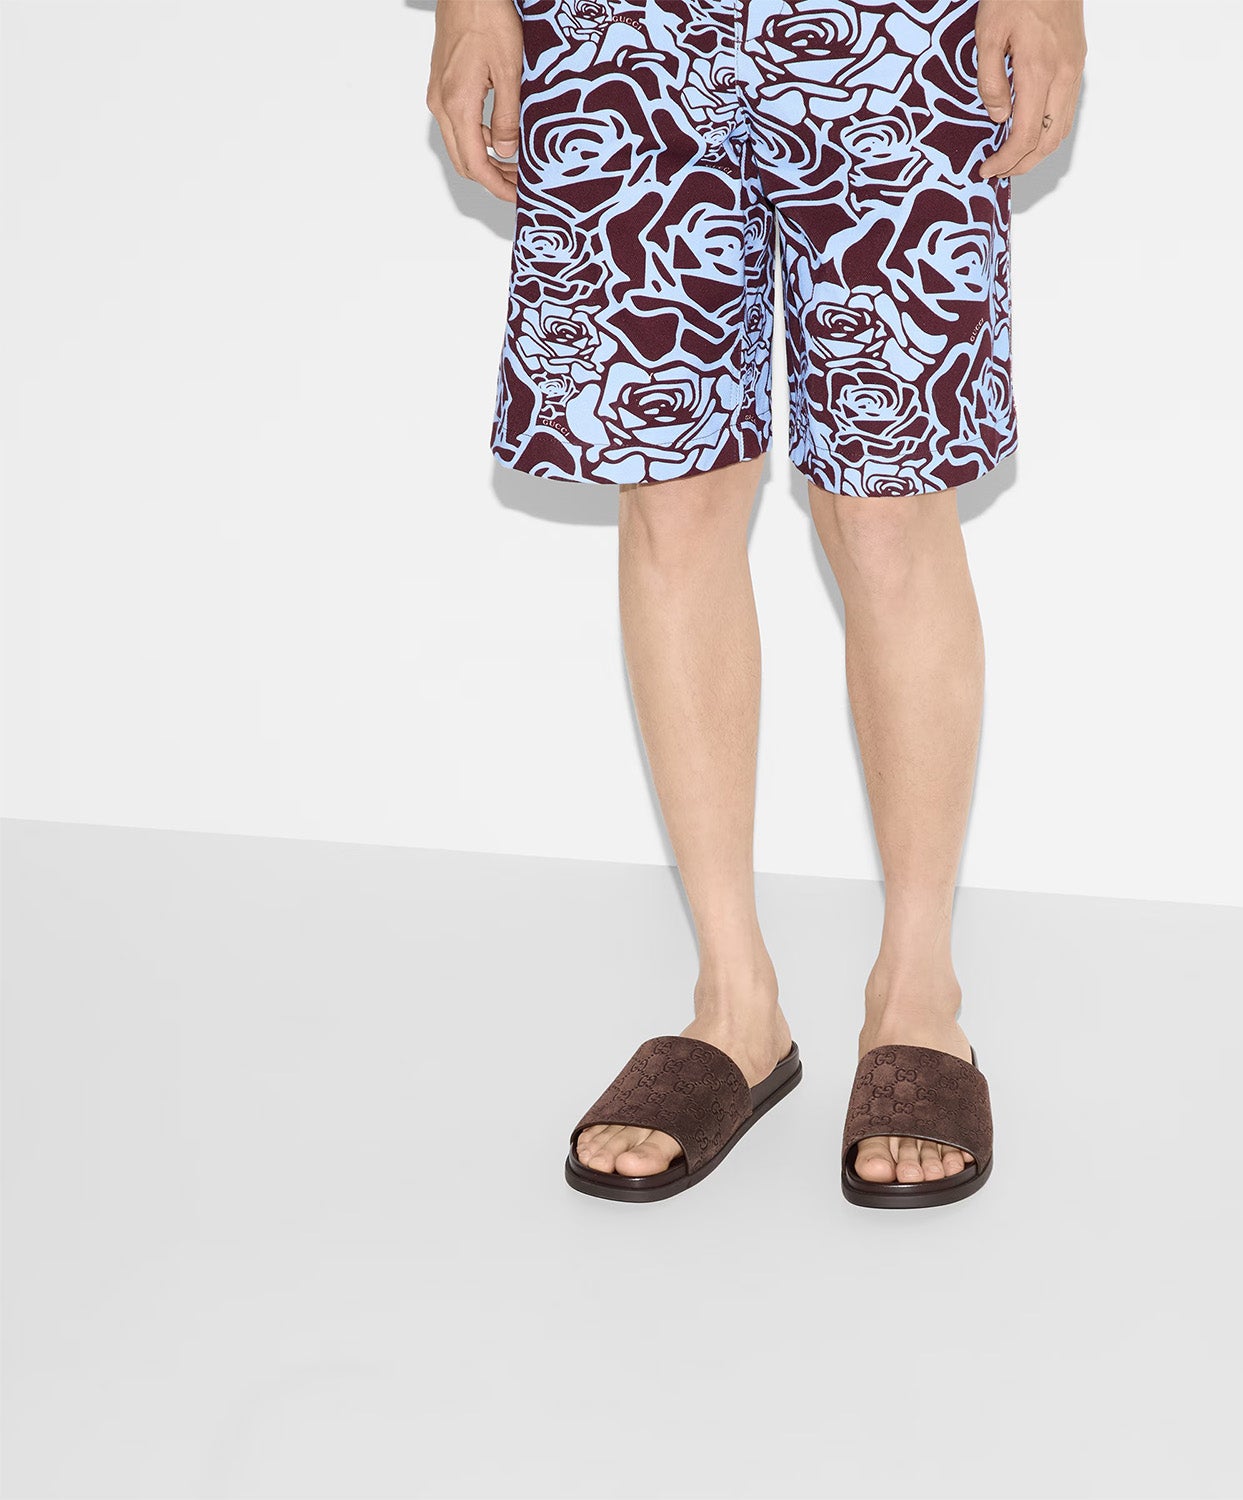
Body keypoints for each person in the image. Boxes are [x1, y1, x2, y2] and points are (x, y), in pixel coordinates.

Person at [428, 0, 1085, 1208]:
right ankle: (735, 1003)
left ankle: (918, 992)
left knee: (889, 501)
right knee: (670, 489)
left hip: (898, 27)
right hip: (619, 28)